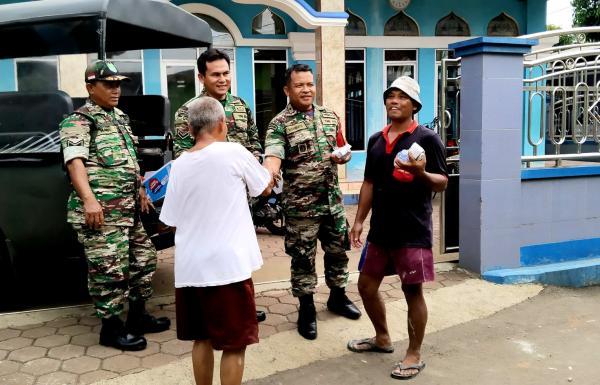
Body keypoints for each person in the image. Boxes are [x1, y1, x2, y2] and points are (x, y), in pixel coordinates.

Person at [159, 97, 273, 385]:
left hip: (190, 268)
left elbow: (168, 219)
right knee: (235, 343)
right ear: (223, 125)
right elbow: (264, 188)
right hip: (227, 267)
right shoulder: (234, 152)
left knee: (202, 338)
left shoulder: (180, 165)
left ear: (190, 128)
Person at [59, 60, 170, 351]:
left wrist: (142, 190)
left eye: (118, 83)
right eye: (108, 84)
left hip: (129, 211)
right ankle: (111, 329)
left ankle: (137, 317)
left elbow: (129, 161)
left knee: (143, 261)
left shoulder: (119, 117)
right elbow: (75, 162)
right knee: (109, 272)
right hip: (102, 214)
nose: (115, 89)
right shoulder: (79, 122)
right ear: (90, 87)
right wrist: (88, 199)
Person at [346, 76, 448, 380]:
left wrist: (420, 173)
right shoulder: (376, 140)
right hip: (381, 230)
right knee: (366, 286)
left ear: (414, 105)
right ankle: (382, 338)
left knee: (411, 290)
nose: (394, 101)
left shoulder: (427, 139)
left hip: (412, 231)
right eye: (390, 95)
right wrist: (359, 220)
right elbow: (369, 182)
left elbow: (442, 183)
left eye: (402, 97)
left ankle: (414, 353)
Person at [263, 64, 361, 341]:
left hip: (332, 202)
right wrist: (269, 172)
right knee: (303, 258)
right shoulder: (279, 123)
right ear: (287, 90)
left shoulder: (330, 117)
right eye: (299, 85)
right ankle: (306, 308)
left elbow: (343, 147)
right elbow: (273, 153)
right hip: (301, 208)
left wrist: (344, 157)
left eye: (310, 84)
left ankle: (338, 298)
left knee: (338, 252)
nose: (306, 90)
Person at [172, 47, 266, 322]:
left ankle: (242, 303)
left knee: (239, 250)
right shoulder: (188, 112)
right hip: (206, 199)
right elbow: (183, 155)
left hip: (237, 195)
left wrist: (255, 166)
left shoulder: (239, 105)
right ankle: (210, 307)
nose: (223, 79)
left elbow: (253, 142)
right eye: (215, 75)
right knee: (210, 253)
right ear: (201, 77)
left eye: (226, 73)